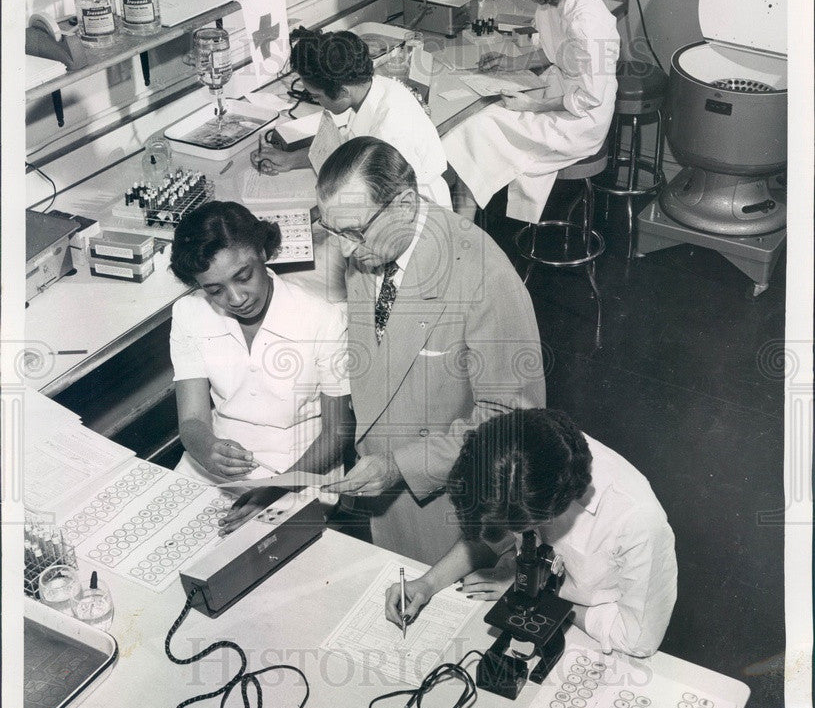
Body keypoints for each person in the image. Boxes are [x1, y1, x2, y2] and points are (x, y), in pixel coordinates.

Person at [316, 136, 547, 566]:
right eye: (332, 230)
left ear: (405, 205)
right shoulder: (369, 250)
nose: (344, 249)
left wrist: (399, 467)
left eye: (352, 231)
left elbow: (509, 423)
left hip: (454, 518)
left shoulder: (484, 278)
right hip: (382, 505)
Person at [385, 408, 678, 657]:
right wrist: (428, 583)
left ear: (555, 509)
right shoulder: (522, 449)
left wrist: (537, 599)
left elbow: (637, 638)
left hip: (594, 642)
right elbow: (491, 531)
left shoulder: (637, 520)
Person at [168, 202, 352, 513]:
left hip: (301, 467)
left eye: (243, 276)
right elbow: (192, 420)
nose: (236, 298)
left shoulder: (323, 319)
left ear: (263, 253)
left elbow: (338, 431)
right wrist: (208, 448)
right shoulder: (189, 313)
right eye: (215, 291)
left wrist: (272, 491)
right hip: (213, 462)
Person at [443, 0, 620, 223]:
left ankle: (463, 234)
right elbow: (555, 53)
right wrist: (512, 62)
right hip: (559, 93)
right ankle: (464, 228)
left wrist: (530, 106)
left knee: (475, 130)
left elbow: (588, 99)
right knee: (475, 127)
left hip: (580, 121)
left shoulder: (586, 21)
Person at [260, 29, 453, 210]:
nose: (317, 103)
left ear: (343, 92)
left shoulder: (388, 133)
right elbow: (341, 148)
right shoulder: (372, 88)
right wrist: (291, 159)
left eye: (317, 97)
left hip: (411, 213)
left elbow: (379, 204)